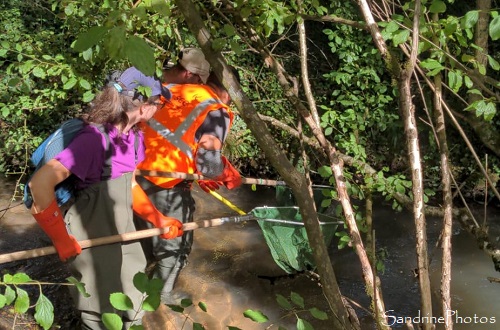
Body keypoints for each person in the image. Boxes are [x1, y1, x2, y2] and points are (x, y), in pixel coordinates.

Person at [28, 67, 183, 329]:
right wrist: (60, 238)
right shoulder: (93, 141)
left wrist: (158, 219)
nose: (159, 109)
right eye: (159, 103)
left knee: (135, 299)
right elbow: (40, 183)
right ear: (144, 107)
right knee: (98, 310)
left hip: (122, 231)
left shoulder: (133, 139)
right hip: (90, 235)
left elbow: (130, 185)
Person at [132, 64, 243, 303]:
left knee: (141, 241)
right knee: (175, 247)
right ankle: (160, 300)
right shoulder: (216, 109)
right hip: (166, 184)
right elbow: (209, 163)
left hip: (130, 175)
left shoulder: (172, 90)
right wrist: (224, 174)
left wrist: (196, 171)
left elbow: (173, 137)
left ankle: (136, 293)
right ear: (230, 92)